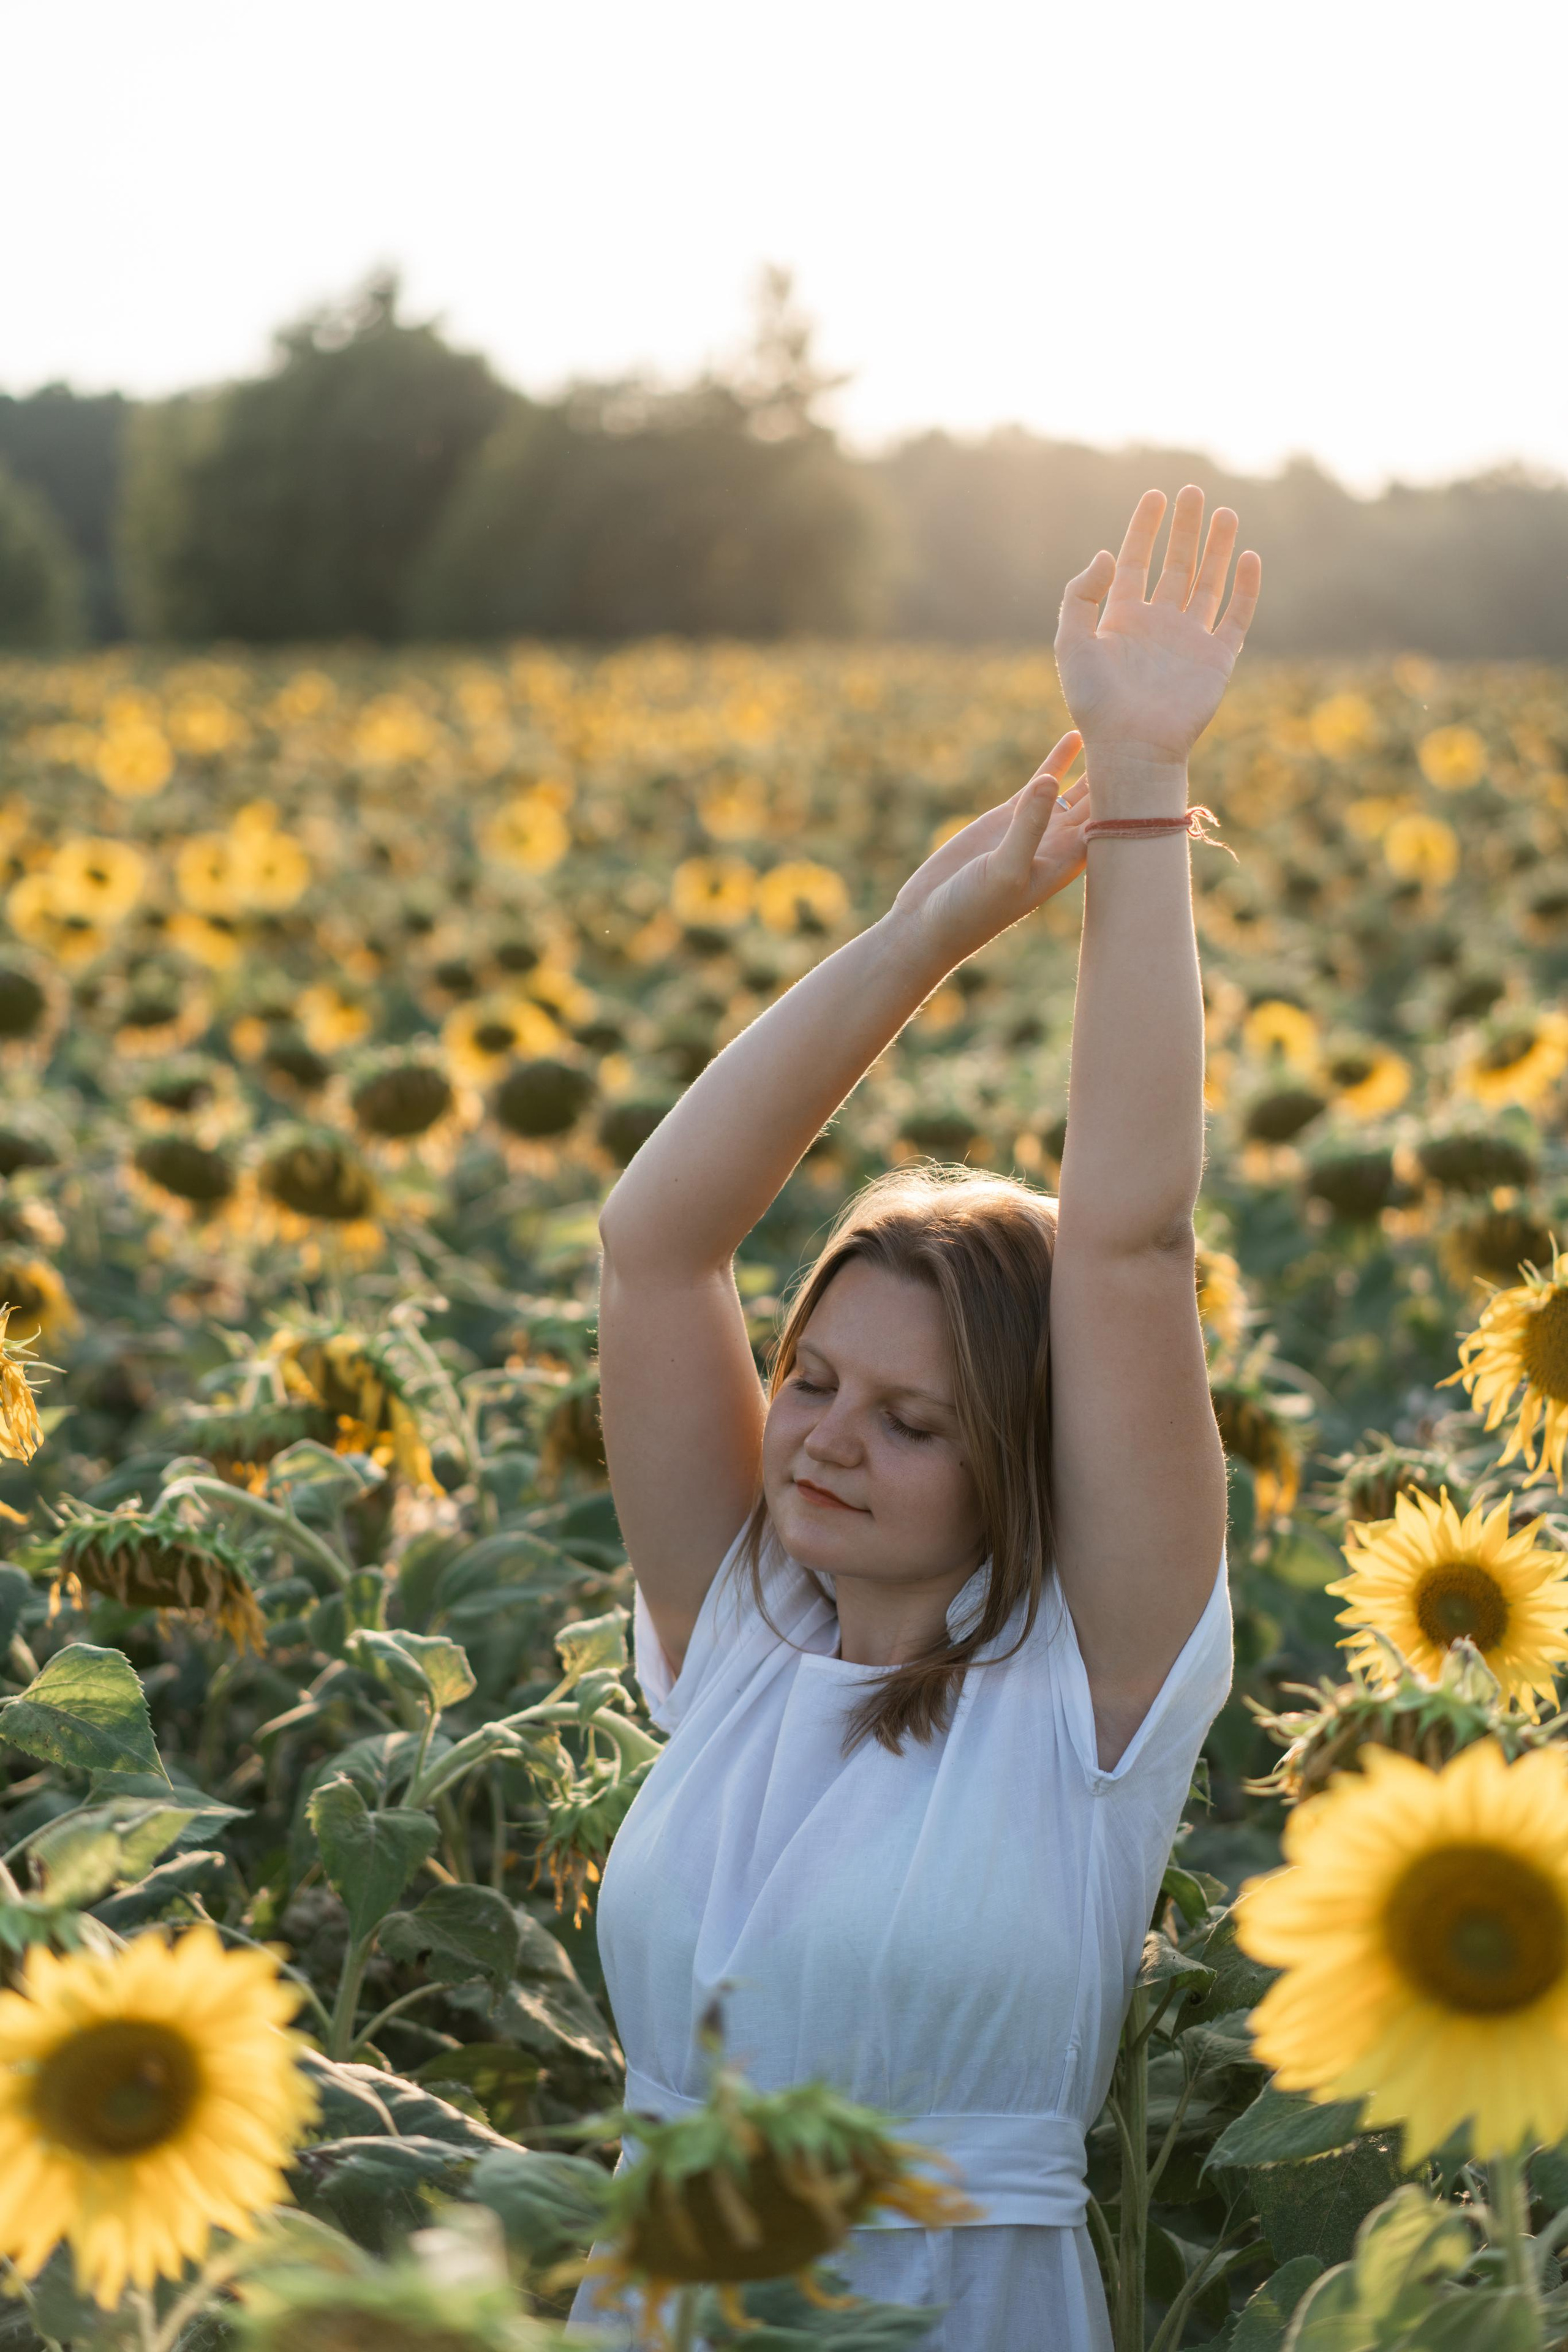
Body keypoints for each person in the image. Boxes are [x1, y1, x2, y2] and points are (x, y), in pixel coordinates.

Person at [570, 488, 1262, 2351]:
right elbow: (654, 1251)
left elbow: (1125, 1240)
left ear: (1026, 1460)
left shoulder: (1088, 1697)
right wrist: (920, 932)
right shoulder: (736, 1639)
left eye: (915, 1422)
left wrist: (1138, 792)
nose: (822, 1437)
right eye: (811, 1380)